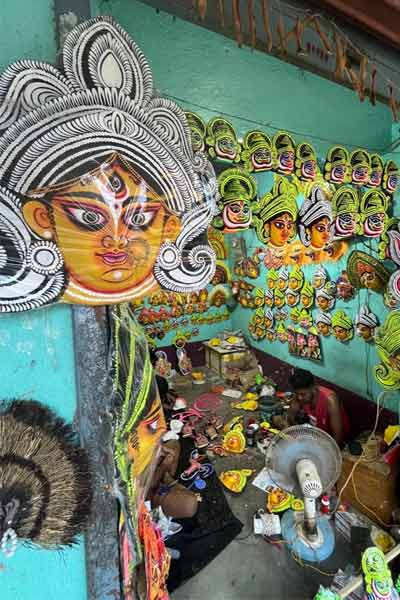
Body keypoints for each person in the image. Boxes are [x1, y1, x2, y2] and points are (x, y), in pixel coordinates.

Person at [287, 368, 350, 446]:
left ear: (313, 387)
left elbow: (338, 439)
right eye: (297, 393)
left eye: (303, 394)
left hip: (336, 441)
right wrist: (299, 435)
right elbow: (290, 417)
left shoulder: (330, 400)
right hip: (317, 435)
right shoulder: (299, 396)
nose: (299, 398)